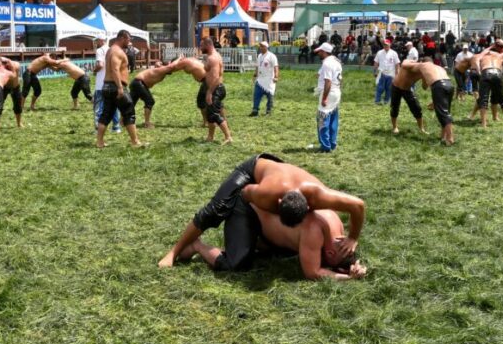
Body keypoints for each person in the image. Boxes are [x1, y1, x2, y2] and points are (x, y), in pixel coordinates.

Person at [157, 153, 367, 272]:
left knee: (284, 247)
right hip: (253, 173)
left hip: (281, 175)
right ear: (277, 203)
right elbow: (244, 194)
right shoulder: (266, 194)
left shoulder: (321, 197)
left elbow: (358, 205)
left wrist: (353, 238)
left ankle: (257, 240)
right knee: (216, 209)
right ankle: (177, 250)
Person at [95, 30, 142, 148]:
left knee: (106, 115)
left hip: (107, 86)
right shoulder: (117, 51)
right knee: (129, 111)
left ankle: (99, 142)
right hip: (116, 86)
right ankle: (135, 141)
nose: (129, 42)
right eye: (128, 39)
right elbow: (115, 69)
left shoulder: (110, 50)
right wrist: (120, 87)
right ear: (122, 38)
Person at [404, 60, 456, 145]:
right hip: (449, 85)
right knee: (445, 112)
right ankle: (443, 136)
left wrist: (409, 61)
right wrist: (435, 101)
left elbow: (406, 65)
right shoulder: (438, 67)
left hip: (439, 86)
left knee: (443, 113)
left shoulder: (423, 65)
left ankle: (450, 138)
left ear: (423, 61)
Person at [198, 36, 233, 144]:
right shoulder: (212, 56)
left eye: (202, 45)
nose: (200, 47)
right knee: (210, 114)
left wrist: (209, 92)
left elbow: (217, 77)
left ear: (208, 45)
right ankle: (210, 137)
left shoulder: (213, 58)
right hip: (215, 88)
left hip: (215, 89)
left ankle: (228, 137)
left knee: (214, 114)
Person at [475, 40, 503, 128]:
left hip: (486, 72)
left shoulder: (483, 55)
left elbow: (479, 57)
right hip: (497, 72)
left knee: (483, 100)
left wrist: (490, 47)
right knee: (502, 99)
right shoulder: (500, 55)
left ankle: (484, 124)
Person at [128, 60, 175, 129]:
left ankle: (122, 121)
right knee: (150, 101)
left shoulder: (162, 71)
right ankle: (147, 123)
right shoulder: (162, 69)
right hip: (139, 83)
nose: (172, 69)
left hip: (136, 83)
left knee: (131, 103)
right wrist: (180, 58)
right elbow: (171, 67)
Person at [314, 42, 342, 153]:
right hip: (336, 91)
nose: (318, 53)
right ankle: (332, 143)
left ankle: (325, 146)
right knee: (333, 118)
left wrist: (324, 98)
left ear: (325, 52)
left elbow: (328, 82)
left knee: (322, 119)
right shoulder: (336, 61)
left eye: (320, 51)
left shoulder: (327, 63)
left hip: (329, 92)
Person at [389, 61, 427, 135]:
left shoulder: (424, 72)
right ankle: (394, 127)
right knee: (394, 107)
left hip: (407, 89)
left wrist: (424, 78)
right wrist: (419, 65)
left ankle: (421, 129)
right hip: (396, 86)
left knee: (416, 107)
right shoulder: (410, 62)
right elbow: (403, 64)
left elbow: (424, 87)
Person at [92, 36, 119, 132]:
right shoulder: (112, 50)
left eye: (96, 41)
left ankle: (98, 129)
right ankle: (116, 127)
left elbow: (100, 65)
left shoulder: (100, 50)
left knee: (99, 107)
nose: (95, 43)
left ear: (101, 40)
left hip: (101, 83)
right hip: (112, 82)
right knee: (113, 106)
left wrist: (94, 71)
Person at [251, 41, 279, 116]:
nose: (261, 48)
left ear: (266, 47)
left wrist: (276, 77)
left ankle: (268, 111)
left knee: (270, 96)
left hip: (269, 80)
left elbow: (276, 67)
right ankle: (255, 110)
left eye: (263, 46)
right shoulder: (259, 56)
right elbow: (257, 66)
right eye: (260, 46)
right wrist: (255, 75)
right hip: (260, 80)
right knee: (256, 95)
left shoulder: (271, 56)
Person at [373, 39, 399, 105]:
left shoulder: (394, 53)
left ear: (390, 44)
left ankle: (386, 101)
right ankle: (377, 101)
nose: (385, 46)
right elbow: (376, 62)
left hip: (391, 73)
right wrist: (375, 71)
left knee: (389, 88)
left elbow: (397, 64)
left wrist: (397, 73)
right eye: (384, 44)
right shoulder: (379, 52)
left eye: (387, 44)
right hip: (382, 72)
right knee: (380, 88)